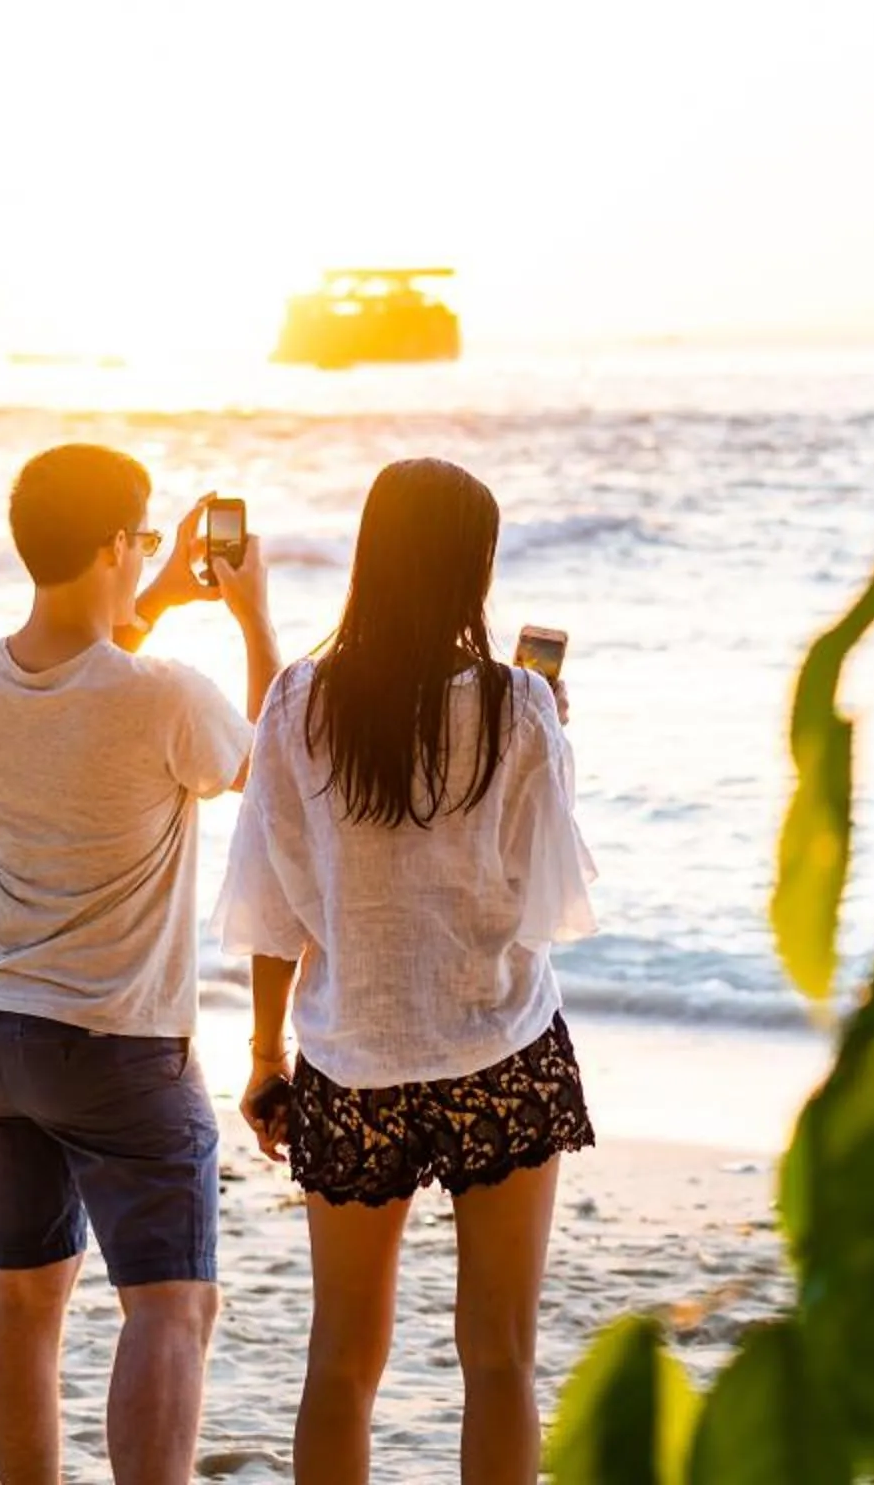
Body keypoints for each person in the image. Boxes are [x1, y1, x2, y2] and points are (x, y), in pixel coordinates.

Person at [211, 457, 598, 1485]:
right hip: (501, 1052)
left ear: (370, 557)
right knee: (501, 1358)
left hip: (352, 1060)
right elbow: (547, 897)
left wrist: (261, 1052)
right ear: (475, 565)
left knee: (340, 1361)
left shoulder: (297, 700)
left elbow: (268, 902)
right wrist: (556, 741)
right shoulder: (521, 704)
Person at [0, 444, 280, 1485]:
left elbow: (84, 671)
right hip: (115, 1041)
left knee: (27, 1289)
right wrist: (253, 618)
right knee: (172, 1303)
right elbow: (269, 770)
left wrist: (158, 592)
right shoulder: (164, 694)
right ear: (104, 548)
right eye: (137, 540)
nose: (144, 556)